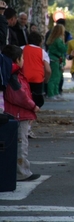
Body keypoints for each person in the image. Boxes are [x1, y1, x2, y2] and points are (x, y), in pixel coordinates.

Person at [2, 45, 41, 181]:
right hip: (18, 115)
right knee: (21, 144)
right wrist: (33, 106)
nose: (24, 60)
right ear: (17, 60)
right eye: (22, 57)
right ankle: (22, 172)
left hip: (15, 114)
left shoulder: (10, 73)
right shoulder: (14, 75)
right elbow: (20, 96)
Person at [22, 32, 51, 139]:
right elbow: (48, 70)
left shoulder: (21, 49)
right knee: (37, 103)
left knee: (23, 102)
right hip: (37, 80)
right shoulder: (42, 52)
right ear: (40, 42)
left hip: (23, 80)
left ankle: (22, 125)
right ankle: (28, 126)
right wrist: (46, 80)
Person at [46, 24, 67, 100]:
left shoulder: (54, 39)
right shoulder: (58, 40)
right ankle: (51, 93)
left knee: (57, 77)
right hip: (55, 60)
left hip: (56, 60)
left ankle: (55, 92)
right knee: (55, 77)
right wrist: (68, 45)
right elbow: (63, 49)